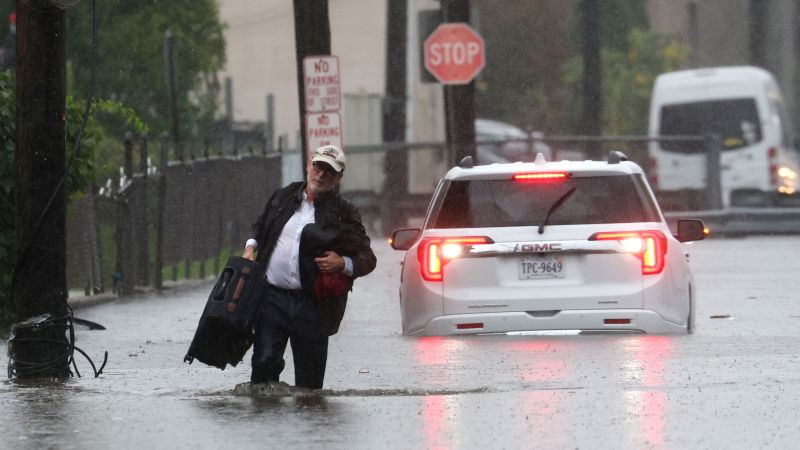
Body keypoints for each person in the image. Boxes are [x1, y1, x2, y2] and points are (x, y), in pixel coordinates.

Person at [243, 144, 376, 389]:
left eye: (329, 170)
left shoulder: (344, 213)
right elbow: (259, 227)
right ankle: (264, 423)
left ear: (338, 177)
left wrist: (342, 264)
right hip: (271, 299)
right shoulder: (282, 197)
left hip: (313, 306)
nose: (321, 174)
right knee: (263, 366)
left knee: (310, 384)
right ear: (309, 166)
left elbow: (367, 258)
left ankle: (311, 422)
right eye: (318, 166)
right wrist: (251, 247)